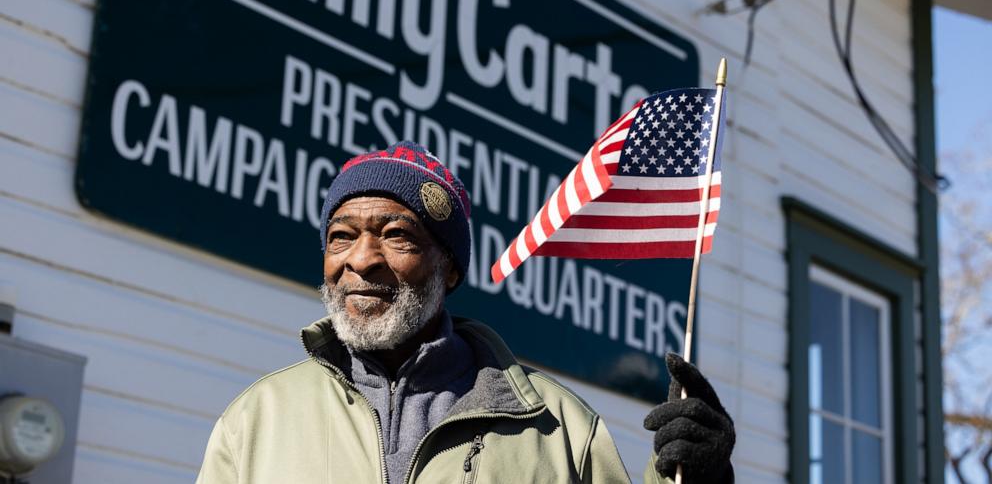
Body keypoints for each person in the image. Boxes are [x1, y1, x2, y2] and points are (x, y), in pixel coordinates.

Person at [196, 141, 735, 483]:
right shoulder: (256, 420)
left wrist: (699, 478)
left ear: (449, 268)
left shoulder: (559, 429)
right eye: (341, 236)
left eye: (396, 236)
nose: (361, 259)